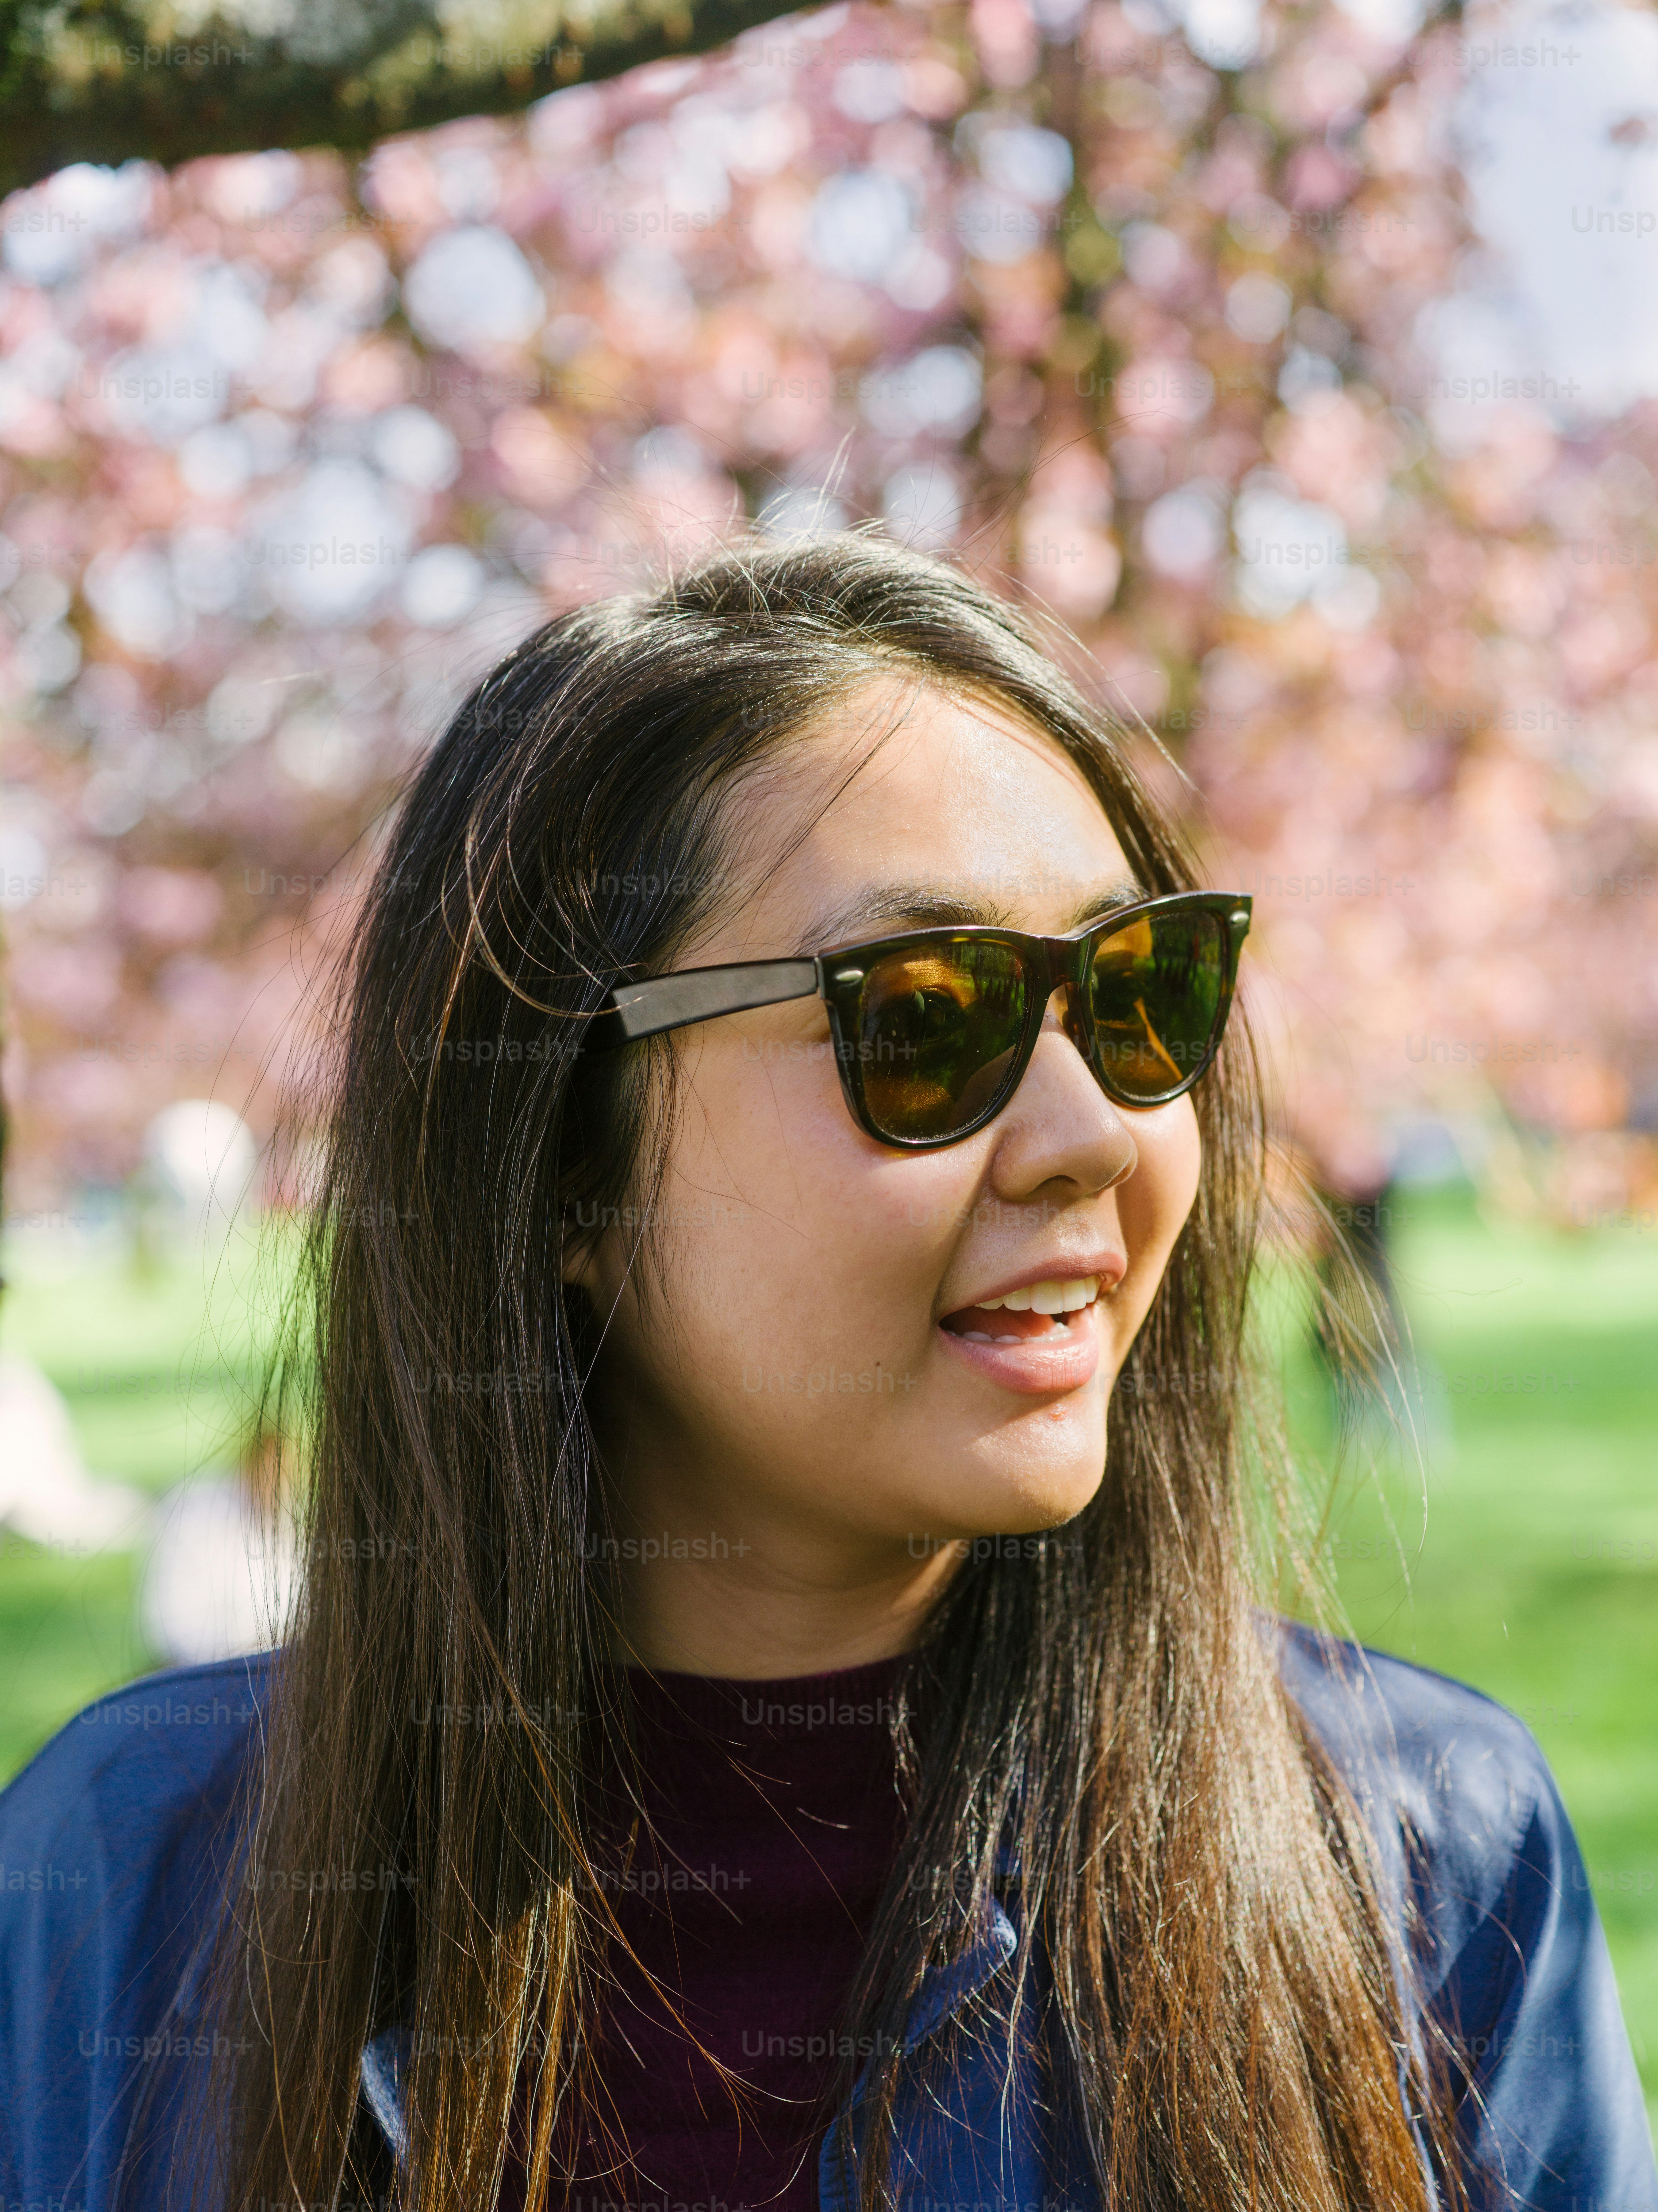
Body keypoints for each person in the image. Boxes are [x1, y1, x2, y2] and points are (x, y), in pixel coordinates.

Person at [0, 535, 1651, 2212]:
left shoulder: (1425, 1862)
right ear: (559, 1156)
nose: (1096, 1134)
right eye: (926, 1015)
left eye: (1144, 993)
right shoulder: (124, 1892)